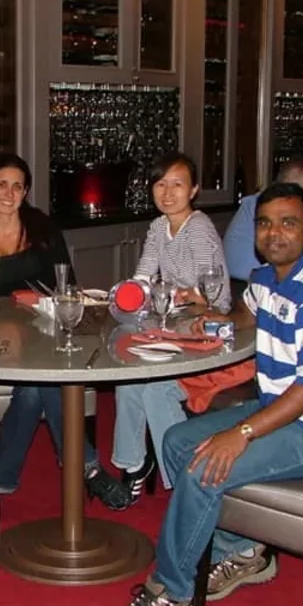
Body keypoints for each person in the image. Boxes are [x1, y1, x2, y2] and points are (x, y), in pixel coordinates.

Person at [110, 182, 303, 606]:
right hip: (282, 407)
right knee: (176, 441)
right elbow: (249, 313)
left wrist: (243, 433)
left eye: (289, 223)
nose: (275, 233)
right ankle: (242, 549)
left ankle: (172, 588)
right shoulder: (269, 277)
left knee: (206, 464)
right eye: (266, 223)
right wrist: (217, 321)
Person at [0, 153, 130, 509]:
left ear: (26, 192)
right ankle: (89, 469)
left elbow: (69, 287)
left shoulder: (43, 229)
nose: (9, 192)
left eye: (17, 186)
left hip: (46, 333)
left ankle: (1, 478)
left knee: (34, 390)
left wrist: (41, 300)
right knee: (38, 385)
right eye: (1, 184)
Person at [112, 152, 231, 504]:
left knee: (152, 389)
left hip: (206, 328)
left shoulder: (198, 227)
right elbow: (144, 275)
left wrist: (178, 294)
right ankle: (133, 465)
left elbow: (215, 294)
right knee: (128, 375)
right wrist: (131, 294)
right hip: (172, 325)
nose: (167, 192)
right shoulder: (157, 228)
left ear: (193, 189)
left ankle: (183, 481)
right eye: (160, 184)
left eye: (177, 184)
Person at [223, 158, 303, 282]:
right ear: (294, 187)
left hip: (259, 283)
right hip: (248, 290)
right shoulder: (273, 209)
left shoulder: (264, 201)